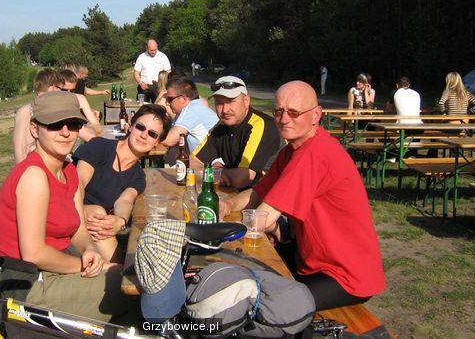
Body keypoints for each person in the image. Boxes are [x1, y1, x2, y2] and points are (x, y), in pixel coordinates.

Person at [222, 81, 386, 311]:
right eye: (278, 111)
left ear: (316, 115)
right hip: (309, 260)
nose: (284, 119)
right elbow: (258, 193)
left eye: (294, 112)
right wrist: (227, 204)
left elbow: (262, 220)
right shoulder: (291, 151)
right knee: (250, 280)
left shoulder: (315, 153)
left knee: (262, 306)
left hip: (343, 275)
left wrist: (217, 236)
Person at [0, 91, 129, 321]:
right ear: (34, 129)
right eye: (55, 125)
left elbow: (79, 230)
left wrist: (89, 249)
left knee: (127, 277)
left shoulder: (69, 171)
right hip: (28, 283)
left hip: (57, 267)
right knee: (129, 287)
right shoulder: (34, 176)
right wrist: (84, 265)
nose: (66, 132)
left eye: (73, 124)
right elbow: (34, 254)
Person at [72, 104, 171, 263]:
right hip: (67, 209)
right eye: (140, 127)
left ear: (157, 142)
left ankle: (116, 269)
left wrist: (120, 220)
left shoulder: (138, 176)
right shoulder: (99, 146)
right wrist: (83, 212)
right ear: (130, 126)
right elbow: (78, 182)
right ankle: (117, 269)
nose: (144, 135)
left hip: (96, 228)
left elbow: (125, 200)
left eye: (152, 134)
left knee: (102, 220)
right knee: (97, 212)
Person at [192, 75, 281, 189]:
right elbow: (192, 162)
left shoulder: (259, 125)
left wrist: (218, 172)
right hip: (240, 193)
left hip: (270, 194)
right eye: (219, 103)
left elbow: (242, 179)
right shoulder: (221, 127)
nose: (225, 110)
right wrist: (218, 173)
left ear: (246, 101)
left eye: (231, 102)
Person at [160, 76, 219, 152]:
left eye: (170, 99)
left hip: (210, 158)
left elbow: (169, 141)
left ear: (184, 99)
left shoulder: (191, 110)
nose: (167, 103)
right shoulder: (196, 105)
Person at [59, 69, 102, 135]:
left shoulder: (79, 98)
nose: (69, 94)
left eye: (72, 90)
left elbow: (96, 125)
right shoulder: (50, 100)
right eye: (64, 90)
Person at [133, 38, 171, 103]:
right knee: (142, 106)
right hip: (144, 87)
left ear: (157, 47)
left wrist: (163, 84)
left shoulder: (163, 56)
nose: (153, 52)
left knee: (158, 107)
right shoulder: (141, 57)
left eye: (155, 50)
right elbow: (136, 73)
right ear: (147, 48)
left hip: (158, 87)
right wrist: (140, 83)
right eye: (151, 50)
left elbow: (168, 72)